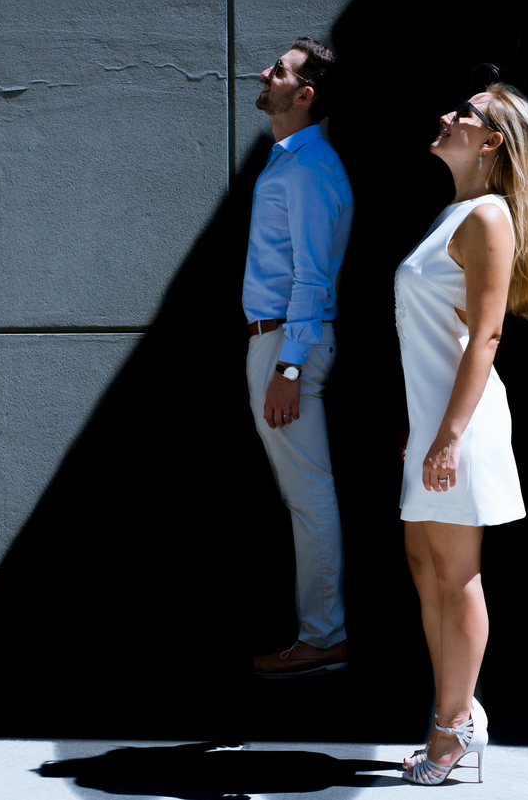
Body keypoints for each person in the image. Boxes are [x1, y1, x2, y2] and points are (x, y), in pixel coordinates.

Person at [394, 82, 528, 784]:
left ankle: (451, 728)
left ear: (491, 141)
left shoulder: (489, 217)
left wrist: (449, 434)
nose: (445, 116)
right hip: (436, 424)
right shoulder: (455, 213)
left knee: (456, 574)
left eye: (462, 114)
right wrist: (424, 429)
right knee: (426, 566)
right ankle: (456, 711)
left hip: (463, 426)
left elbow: (485, 336)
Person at [245, 38, 353, 677]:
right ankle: (320, 632)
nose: (265, 74)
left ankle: (322, 636)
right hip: (279, 341)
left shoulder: (309, 168)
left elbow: (312, 280)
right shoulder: (290, 162)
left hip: (288, 344)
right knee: (305, 496)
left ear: (304, 94)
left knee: (310, 496)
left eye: (278, 71)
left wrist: (287, 367)